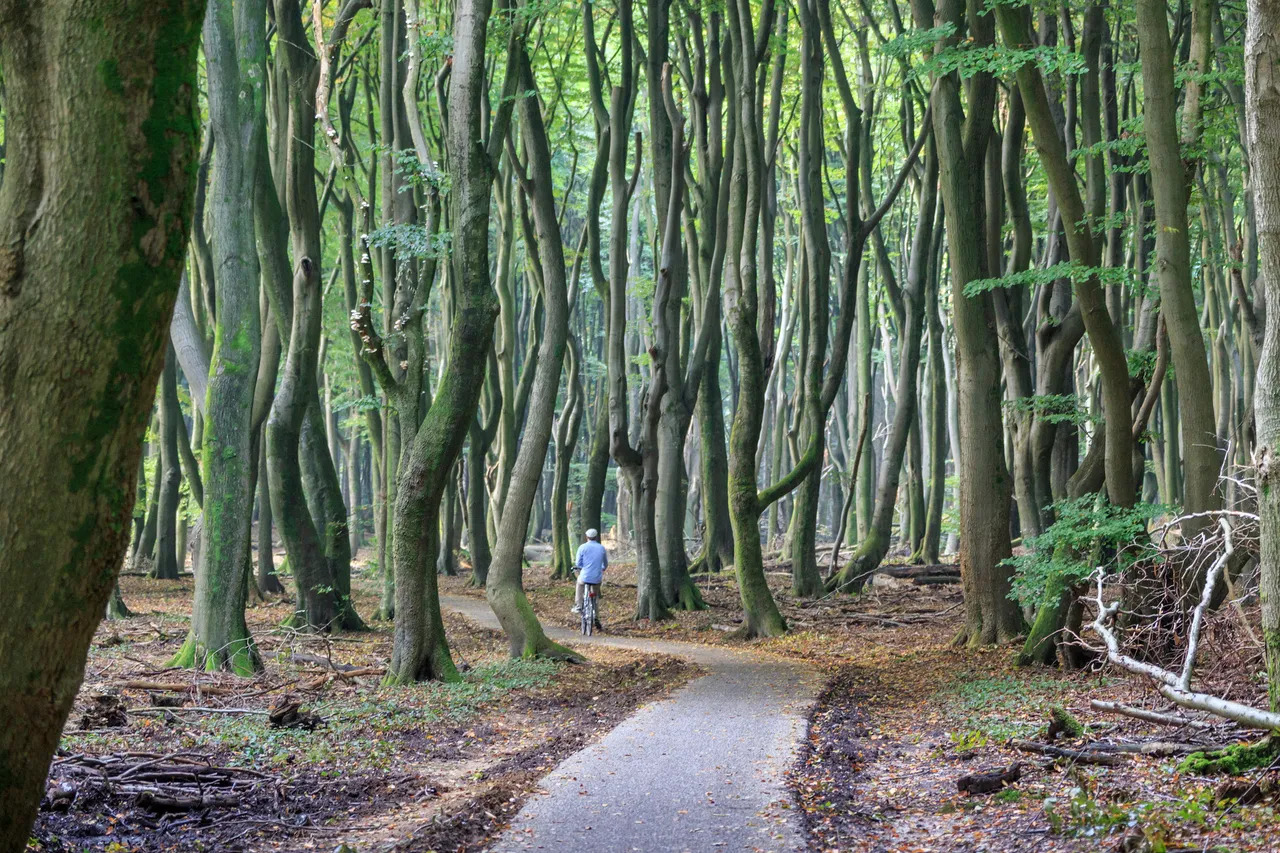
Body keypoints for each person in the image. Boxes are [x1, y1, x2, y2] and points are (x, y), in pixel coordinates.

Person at [570, 528, 608, 615]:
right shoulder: (601, 548)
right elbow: (605, 563)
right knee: (595, 596)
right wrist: (602, 568)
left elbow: (578, 563)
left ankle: (579, 605)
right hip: (597, 577)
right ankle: (596, 616)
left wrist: (581, 567)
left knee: (579, 584)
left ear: (587, 537)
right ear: (596, 537)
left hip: (585, 576)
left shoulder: (582, 547)